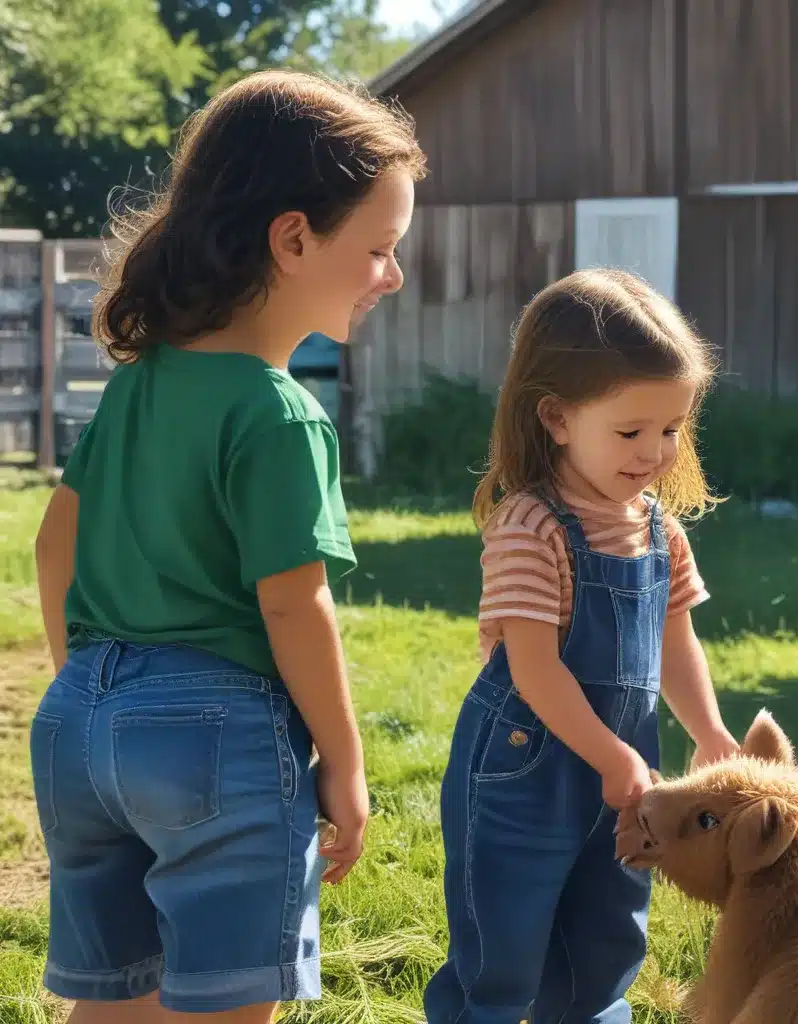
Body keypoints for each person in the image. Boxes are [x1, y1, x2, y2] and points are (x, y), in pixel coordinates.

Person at [29, 69, 424, 1023]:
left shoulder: (137, 384)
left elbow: (53, 546)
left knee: (114, 1004)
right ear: (294, 239)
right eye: (377, 249)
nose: (391, 276)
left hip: (79, 727)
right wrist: (345, 759)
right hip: (216, 740)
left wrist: (95, 695)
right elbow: (294, 603)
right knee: (226, 1008)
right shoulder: (281, 414)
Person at [423, 268, 741, 1024]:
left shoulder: (660, 530)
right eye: (629, 432)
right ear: (556, 418)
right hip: (523, 770)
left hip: (621, 768)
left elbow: (673, 639)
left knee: (605, 939)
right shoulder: (531, 528)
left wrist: (709, 731)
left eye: (670, 430)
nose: (653, 452)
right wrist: (611, 757)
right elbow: (532, 668)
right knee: (502, 950)